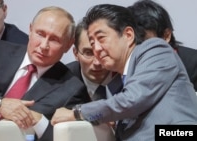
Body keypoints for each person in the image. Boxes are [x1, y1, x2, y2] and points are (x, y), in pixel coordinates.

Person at [51, 4, 197, 141]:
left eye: (101, 38)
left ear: (128, 35)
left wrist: (77, 113)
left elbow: (131, 100)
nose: (97, 49)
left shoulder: (156, 50)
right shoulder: (113, 86)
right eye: (92, 42)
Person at [0, 6, 90, 141]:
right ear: (30, 30)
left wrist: (39, 122)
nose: (44, 46)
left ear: (68, 45)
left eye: (54, 40)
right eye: (40, 34)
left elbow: (64, 136)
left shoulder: (72, 88)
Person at [128, 0, 197, 91]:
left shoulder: (193, 62)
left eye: (144, 43)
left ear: (166, 36)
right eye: (134, 42)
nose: (138, 49)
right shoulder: (124, 66)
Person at [67, 20, 123, 100]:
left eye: (103, 52)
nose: (97, 63)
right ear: (76, 54)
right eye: (88, 53)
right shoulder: (61, 82)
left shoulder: (127, 74)